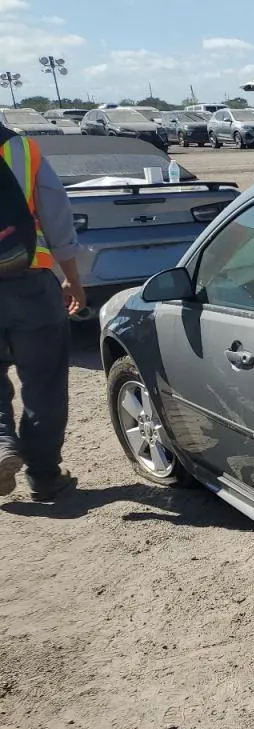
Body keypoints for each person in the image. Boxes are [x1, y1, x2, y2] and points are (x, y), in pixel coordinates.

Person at [0, 119, 84, 502]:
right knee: (45, 384)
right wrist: (72, 279)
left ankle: (2, 443)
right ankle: (44, 475)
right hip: (29, 283)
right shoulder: (21, 150)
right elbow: (56, 218)